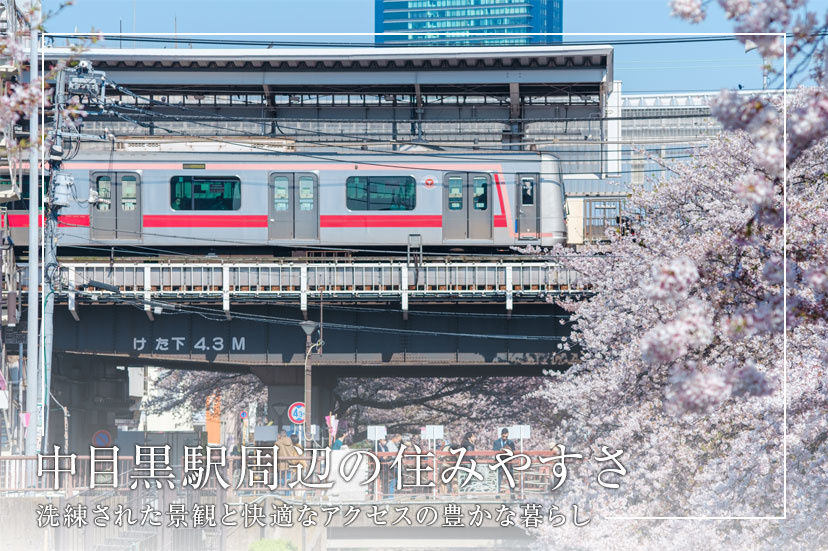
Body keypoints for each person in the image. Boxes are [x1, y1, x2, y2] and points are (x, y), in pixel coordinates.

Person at [493, 428, 517, 496]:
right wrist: (501, 450)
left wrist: (509, 449)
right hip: (500, 462)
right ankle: (497, 494)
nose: (505, 438)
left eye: (506, 436)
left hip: (508, 463)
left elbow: (514, 452)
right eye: (503, 436)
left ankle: (512, 494)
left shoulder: (511, 442)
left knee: (510, 478)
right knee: (499, 478)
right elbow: (494, 451)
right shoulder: (496, 442)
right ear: (501, 435)